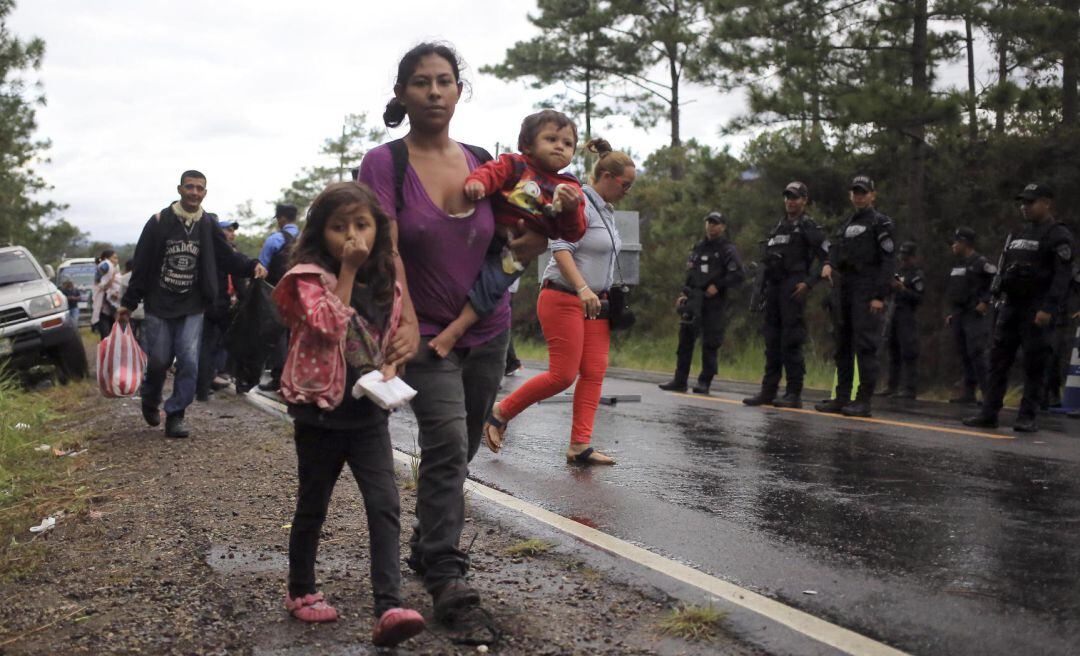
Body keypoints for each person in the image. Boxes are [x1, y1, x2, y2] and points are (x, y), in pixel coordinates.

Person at [358, 43, 548, 620]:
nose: (434, 91)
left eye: (444, 81)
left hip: (487, 328)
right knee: (444, 444)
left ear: (459, 91)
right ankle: (445, 572)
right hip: (423, 331)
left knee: (459, 449)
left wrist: (531, 242)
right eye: (421, 82)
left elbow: (506, 237)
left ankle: (425, 544)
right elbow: (384, 249)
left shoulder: (483, 159)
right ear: (402, 94)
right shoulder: (383, 163)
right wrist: (406, 319)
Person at [271, 181, 425, 646]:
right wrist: (348, 270)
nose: (352, 236)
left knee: (384, 504)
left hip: (366, 414)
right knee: (313, 504)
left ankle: (389, 606)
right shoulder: (306, 278)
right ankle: (301, 590)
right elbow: (330, 324)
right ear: (321, 233)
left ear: (379, 228)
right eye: (339, 228)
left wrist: (395, 359)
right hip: (318, 412)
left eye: (362, 225)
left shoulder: (386, 281)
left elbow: (387, 335)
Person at [484, 137, 635, 464]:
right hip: (565, 296)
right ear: (607, 177)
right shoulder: (578, 200)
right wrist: (583, 288)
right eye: (626, 184)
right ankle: (500, 411)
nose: (628, 191)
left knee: (594, 370)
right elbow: (561, 248)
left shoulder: (607, 211)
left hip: (596, 305)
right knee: (563, 374)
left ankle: (580, 445)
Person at [118, 170, 267, 438]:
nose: (194, 192)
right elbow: (142, 264)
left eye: (200, 188)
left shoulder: (208, 225)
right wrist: (128, 303)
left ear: (205, 193)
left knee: (188, 360)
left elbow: (227, 257)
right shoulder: (159, 222)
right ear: (179, 189)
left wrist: (252, 265)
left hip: (193, 304)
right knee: (159, 360)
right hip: (159, 303)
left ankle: (176, 414)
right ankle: (150, 399)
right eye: (190, 187)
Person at [427, 109, 587, 357]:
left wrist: (570, 209)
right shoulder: (515, 164)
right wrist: (477, 183)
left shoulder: (571, 188)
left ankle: (456, 330)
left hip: (515, 252)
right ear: (528, 145)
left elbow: (572, 233)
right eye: (551, 140)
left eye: (568, 144)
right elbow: (491, 172)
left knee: (491, 286)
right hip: (486, 235)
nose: (560, 147)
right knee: (456, 271)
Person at [963, 184, 1074, 432]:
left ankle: (1028, 416)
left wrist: (1048, 308)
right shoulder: (1018, 233)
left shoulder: (1058, 235)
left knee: (1034, 363)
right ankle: (989, 413)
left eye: (1031, 202)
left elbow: (1061, 277)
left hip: (1037, 308)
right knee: (998, 360)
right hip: (1011, 306)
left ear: (1046, 203)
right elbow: (1004, 269)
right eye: (1023, 202)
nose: (1025, 207)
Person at [814, 175, 896, 418]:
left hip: (867, 290)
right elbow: (835, 252)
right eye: (855, 192)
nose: (858, 196)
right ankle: (841, 397)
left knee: (865, 346)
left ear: (872, 195)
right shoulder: (846, 224)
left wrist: (880, 295)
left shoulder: (881, 223)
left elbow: (888, 261)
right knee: (843, 345)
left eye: (863, 192)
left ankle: (863, 400)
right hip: (845, 290)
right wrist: (828, 264)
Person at [743, 181, 827, 408]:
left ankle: (793, 393)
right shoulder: (778, 227)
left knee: (791, 341)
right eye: (788, 196)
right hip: (774, 289)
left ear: (804, 200)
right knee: (772, 341)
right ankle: (768, 391)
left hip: (793, 288)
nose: (791, 201)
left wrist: (808, 283)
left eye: (796, 197)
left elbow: (827, 257)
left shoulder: (808, 226)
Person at [658, 211, 745, 395]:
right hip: (694, 298)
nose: (711, 226)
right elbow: (690, 274)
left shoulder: (727, 249)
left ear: (723, 227)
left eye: (716, 223)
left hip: (713, 301)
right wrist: (684, 293)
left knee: (710, 343)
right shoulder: (698, 247)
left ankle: (705, 381)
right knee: (685, 341)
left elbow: (738, 274)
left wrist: (719, 286)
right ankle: (680, 380)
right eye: (709, 222)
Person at [944, 227, 995, 405]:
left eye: (956, 242)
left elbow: (995, 282)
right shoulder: (958, 263)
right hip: (959, 313)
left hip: (974, 314)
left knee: (977, 352)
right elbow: (956, 290)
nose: (953, 245)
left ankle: (988, 393)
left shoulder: (981, 262)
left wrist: (985, 301)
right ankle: (968, 392)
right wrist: (952, 313)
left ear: (965, 243)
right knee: (964, 353)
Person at [196, 218, 243, 401]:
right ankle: (205, 383)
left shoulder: (225, 251)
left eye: (233, 230)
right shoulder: (219, 252)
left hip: (221, 304)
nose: (231, 233)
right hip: (215, 305)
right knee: (210, 345)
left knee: (213, 345)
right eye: (228, 230)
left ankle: (209, 380)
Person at [258, 203, 300, 392]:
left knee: (279, 334)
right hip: (304, 294)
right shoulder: (306, 239)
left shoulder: (274, 240)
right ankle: (297, 377)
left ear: (281, 218)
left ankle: (279, 376)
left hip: (277, 293)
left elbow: (262, 269)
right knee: (298, 334)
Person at [878, 241, 924, 399]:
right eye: (902, 257)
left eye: (907, 257)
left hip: (907, 316)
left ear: (913, 258)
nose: (903, 260)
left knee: (908, 351)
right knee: (893, 351)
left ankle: (910, 388)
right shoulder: (898, 272)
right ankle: (892, 386)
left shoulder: (916, 275)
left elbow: (919, 298)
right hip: (893, 314)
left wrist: (903, 289)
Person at [91, 249, 121, 340]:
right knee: (106, 336)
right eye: (114, 258)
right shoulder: (106, 266)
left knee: (114, 336)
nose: (116, 260)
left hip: (113, 309)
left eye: (117, 258)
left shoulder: (115, 270)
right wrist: (108, 283)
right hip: (103, 310)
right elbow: (98, 283)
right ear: (107, 259)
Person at [504, 278, 523, 376]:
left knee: (501, 326)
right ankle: (511, 363)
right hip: (506, 287)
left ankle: (511, 363)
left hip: (504, 288)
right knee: (503, 326)